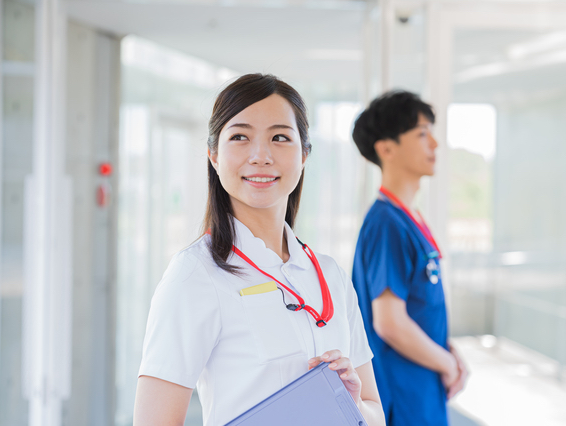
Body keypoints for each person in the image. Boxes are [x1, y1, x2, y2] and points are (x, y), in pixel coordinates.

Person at [133, 74, 385, 426]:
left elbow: (375, 411)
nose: (261, 155)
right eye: (240, 137)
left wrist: (351, 404)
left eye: (280, 137)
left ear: (304, 154)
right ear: (214, 155)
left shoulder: (331, 277)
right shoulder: (195, 274)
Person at [351, 90, 468, 426]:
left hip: (421, 387)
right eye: (421, 133)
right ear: (386, 148)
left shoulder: (407, 218)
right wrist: (448, 363)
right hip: (402, 395)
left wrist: (448, 352)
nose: (435, 144)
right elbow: (389, 322)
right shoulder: (387, 224)